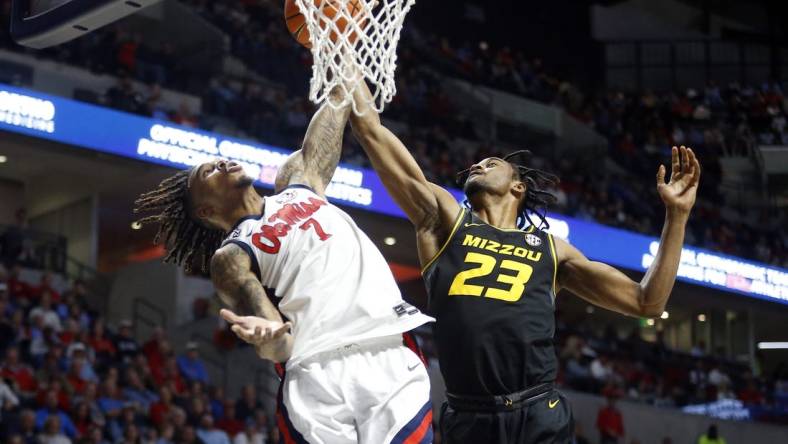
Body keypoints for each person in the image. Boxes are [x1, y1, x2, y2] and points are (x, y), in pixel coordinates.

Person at [349, 80, 701, 443]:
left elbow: (647, 301)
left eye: (491, 162)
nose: (476, 164)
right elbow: (371, 130)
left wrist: (676, 216)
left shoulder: (552, 250)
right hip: (469, 417)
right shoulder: (445, 222)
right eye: (477, 162)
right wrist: (341, 55)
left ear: (518, 187)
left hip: (538, 413)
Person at [133, 85, 434, 443]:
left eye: (215, 160)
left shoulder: (300, 181)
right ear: (207, 211)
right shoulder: (232, 255)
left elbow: (338, 102)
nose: (218, 162)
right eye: (207, 173)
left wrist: (344, 50)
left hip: (386, 346)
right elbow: (276, 339)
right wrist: (267, 339)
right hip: (316, 371)